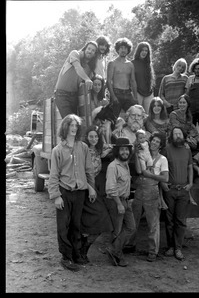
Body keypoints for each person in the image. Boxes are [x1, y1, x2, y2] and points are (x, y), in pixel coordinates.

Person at [48, 114, 95, 271]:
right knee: (63, 226)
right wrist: (56, 196)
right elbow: (53, 175)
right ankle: (66, 257)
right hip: (64, 191)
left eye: (76, 126)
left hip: (80, 192)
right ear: (65, 127)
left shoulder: (83, 148)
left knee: (76, 225)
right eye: (71, 125)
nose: (74, 128)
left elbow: (89, 170)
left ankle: (77, 255)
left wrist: (91, 187)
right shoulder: (58, 150)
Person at [125, 131, 169, 262]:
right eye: (153, 141)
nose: (154, 143)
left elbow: (165, 178)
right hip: (140, 190)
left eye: (157, 142)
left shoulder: (162, 159)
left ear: (161, 145)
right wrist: (137, 154)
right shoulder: (144, 154)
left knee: (153, 223)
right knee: (133, 220)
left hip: (152, 191)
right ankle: (129, 244)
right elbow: (139, 171)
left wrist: (150, 175)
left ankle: (152, 251)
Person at [79, 125, 114, 263]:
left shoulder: (98, 150)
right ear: (86, 138)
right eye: (91, 136)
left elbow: (110, 147)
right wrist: (90, 188)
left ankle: (84, 249)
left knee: (101, 220)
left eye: (96, 136)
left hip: (93, 189)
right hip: (84, 188)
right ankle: (81, 252)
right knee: (88, 221)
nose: (94, 139)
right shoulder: (83, 151)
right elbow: (80, 173)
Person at [161, 126, 193, 261]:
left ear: (183, 135)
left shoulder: (187, 149)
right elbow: (161, 167)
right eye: (175, 134)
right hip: (170, 190)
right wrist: (164, 186)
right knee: (169, 220)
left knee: (181, 221)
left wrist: (190, 183)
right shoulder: (167, 149)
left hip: (183, 190)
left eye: (180, 133)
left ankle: (178, 247)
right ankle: (170, 246)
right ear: (171, 136)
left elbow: (190, 166)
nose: (178, 136)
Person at [105, 137, 136, 267]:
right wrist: (118, 204)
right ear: (117, 151)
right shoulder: (113, 166)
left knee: (131, 227)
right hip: (116, 201)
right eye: (122, 149)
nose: (125, 152)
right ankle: (117, 255)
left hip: (125, 201)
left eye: (127, 149)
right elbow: (110, 188)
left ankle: (114, 250)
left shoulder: (125, 164)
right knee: (116, 231)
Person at [54, 41, 98, 118]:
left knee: (75, 122)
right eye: (89, 48)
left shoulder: (89, 69)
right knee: (70, 120)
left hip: (74, 96)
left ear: (94, 54)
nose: (90, 51)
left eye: (93, 50)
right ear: (85, 49)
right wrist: (87, 79)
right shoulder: (74, 54)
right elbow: (78, 68)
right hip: (62, 94)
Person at [107, 37, 138, 117]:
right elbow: (109, 81)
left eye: (125, 48)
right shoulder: (112, 63)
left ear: (128, 50)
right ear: (118, 49)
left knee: (133, 115)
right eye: (121, 48)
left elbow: (133, 81)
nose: (123, 50)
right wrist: (113, 96)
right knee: (113, 118)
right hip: (116, 93)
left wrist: (135, 97)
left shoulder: (130, 65)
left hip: (128, 94)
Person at [91, 75, 117, 144]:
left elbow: (108, 115)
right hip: (93, 122)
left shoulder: (104, 101)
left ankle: (108, 144)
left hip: (104, 123)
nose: (97, 87)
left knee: (108, 124)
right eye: (95, 85)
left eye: (99, 85)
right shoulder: (89, 100)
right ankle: (107, 145)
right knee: (103, 126)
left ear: (102, 86)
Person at [132, 42, 155, 114]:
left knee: (149, 115)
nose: (144, 52)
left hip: (149, 93)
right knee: (137, 114)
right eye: (142, 50)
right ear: (138, 51)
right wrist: (134, 95)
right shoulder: (132, 63)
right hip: (137, 93)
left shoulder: (148, 64)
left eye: (146, 51)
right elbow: (131, 81)